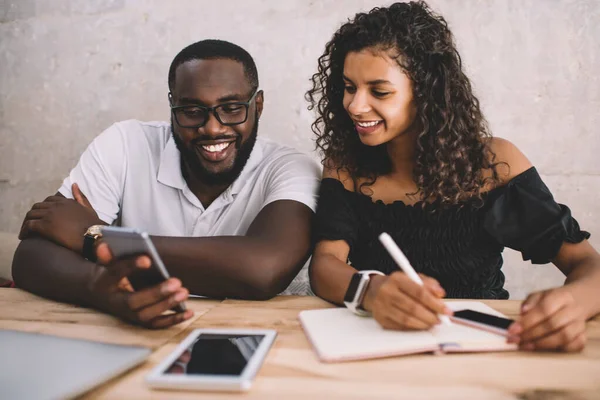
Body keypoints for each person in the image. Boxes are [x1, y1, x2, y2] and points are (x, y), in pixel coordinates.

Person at [306, 1, 600, 352]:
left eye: (379, 91)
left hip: (484, 345)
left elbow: (586, 263)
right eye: (349, 87)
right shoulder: (346, 164)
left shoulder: (494, 163)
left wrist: (572, 306)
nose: (354, 105)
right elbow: (325, 265)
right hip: (380, 344)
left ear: (426, 92)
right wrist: (369, 291)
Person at [13, 39, 320, 329]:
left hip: (245, 339)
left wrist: (98, 239)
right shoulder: (125, 144)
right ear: (173, 106)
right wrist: (103, 291)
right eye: (191, 110)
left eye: (231, 108)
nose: (212, 128)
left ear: (259, 105)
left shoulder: (290, 167)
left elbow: (262, 269)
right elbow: (31, 256)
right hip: (125, 334)